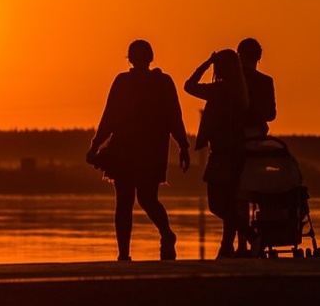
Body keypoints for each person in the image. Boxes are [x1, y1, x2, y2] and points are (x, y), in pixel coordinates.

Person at [86, 40, 190, 261]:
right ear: (131, 59)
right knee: (126, 200)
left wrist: (183, 145)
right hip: (125, 150)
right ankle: (124, 253)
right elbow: (110, 116)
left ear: (148, 58)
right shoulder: (123, 82)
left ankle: (166, 235)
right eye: (137, 55)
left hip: (150, 151)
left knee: (146, 198)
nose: (140, 59)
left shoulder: (162, 82)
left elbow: (174, 117)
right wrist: (96, 144)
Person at [185, 48, 250, 258]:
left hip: (221, 153)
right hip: (237, 152)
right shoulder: (239, 91)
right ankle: (226, 248)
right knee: (230, 202)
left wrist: (205, 63)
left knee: (216, 204)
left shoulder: (220, 90)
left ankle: (251, 235)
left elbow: (189, 86)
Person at [238, 38, 276, 140]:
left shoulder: (231, 80)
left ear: (240, 56)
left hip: (233, 134)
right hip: (256, 135)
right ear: (259, 57)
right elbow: (271, 115)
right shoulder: (266, 81)